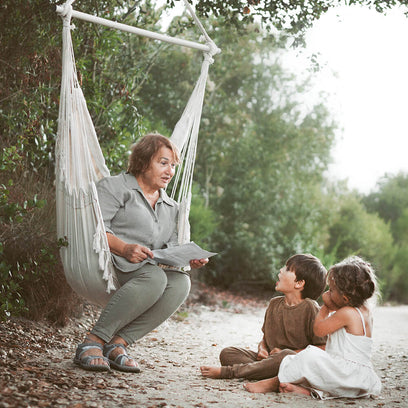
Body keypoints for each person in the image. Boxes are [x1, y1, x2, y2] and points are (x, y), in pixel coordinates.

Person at [74, 133, 208, 373]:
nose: (170, 171)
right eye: (163, 162)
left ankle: (118, 344)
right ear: (144, 161)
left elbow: (170, 247)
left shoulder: (171, 206)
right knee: (155, 278)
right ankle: (92, 342)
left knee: (180, 283)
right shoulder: (115, 187)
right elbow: (92, 230)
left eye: (174, 165)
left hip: (146, 270)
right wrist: (124, 247)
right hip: (109, 263)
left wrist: (189, 259)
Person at [244, 256, 382, 400]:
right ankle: (307, 391)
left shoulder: (346, 313)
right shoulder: (365, 312)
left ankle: (273, 383)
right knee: (315, 365)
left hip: (346, 374)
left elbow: (319, 329)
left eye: (332, 290)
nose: (327, 293)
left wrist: (326, 307)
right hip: (358, 380)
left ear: (345, 298)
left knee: (309, 355)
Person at [200, 254, 327, 380]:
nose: (281, 271)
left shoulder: (311, 308)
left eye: (287, 269)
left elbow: (322, 348)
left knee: (286, 355)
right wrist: (263, 349)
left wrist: (292, 354)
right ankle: (265, 373)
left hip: (293, 362)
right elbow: (266, 338)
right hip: (270, 361)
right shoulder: (274, 304)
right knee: (228, 353)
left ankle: (231, 372)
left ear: (299, 283)